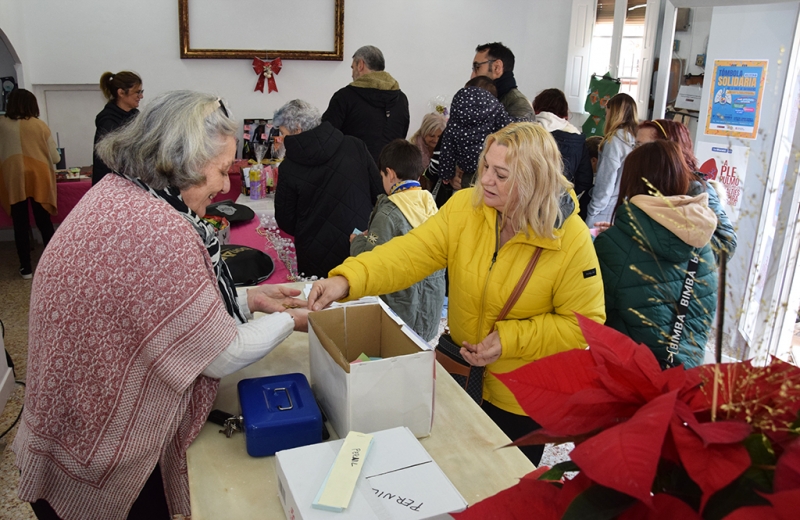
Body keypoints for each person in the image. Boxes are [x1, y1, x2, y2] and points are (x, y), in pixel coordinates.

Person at [13, 90, 310, 520]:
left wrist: (252, 300)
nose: (226, 185)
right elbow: (221, 353)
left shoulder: (118, 194)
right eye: (222, 170)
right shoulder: (160, 232)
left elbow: (165, 310)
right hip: (104, 456)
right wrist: (289, 319)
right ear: (186, 161)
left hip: (66, 432)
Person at [308, 123, 605, 465]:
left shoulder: (571, 240)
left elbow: (584, 325)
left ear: (534, 179)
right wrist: (348, 278)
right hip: (460, 375)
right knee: (453, 469)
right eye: (486, 167)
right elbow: (409, 254)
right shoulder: (466, 207)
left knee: (503, 490)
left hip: (524, 397)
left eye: (502, 174)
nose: (486, 180)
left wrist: (510, 339)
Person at [593, 140, 718, 369]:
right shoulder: (703, 241)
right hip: (685, 377)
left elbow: (593, 315)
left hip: (630, 378)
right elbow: (702, 312)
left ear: (633, 181)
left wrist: (617, 241)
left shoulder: (613, 245)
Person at [274, 99, 382, 279]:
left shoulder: (288, 168)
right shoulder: (355, 145)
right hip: (359, 243)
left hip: (314, 255)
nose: (281, 139)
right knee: (363, 301)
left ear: (298, 129)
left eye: (283, 133)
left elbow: (285, 220)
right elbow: (378, 192)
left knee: (321, 303)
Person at [350, 139, 446, 341]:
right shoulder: (430, 203)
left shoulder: (389, 213)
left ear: (390, 174)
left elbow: (372, 263)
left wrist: (357, 242)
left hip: (400, 316)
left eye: (382, 175)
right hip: (429, 312)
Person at [636, 118, 737, 260]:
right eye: (635, 146)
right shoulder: (647, 183)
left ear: (668, 149)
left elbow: (726, 244)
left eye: (642, 147)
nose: (634, 154)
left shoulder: (695, 187)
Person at [0, 88, 60, 279]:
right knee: (44, 222)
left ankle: (26, 268)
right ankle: (52, 265)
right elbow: (55, 157)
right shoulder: (39, 126)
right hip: (39, 177)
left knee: (20, 223)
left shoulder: (1, 124)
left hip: (13, 178)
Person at [430, 76, 515, 200]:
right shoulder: (496, 111)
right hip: (487, 176)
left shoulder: (456, 115)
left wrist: (446, 174)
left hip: (464, 174)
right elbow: (511, 128)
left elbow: (447, 149)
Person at [322, 45, 410, 163]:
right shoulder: (401, 98)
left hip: (352, 170)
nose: (352, 74)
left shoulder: (344, 97)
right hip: (390, 172)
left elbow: (326, 136)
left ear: (360, 65)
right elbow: (401, 135)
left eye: (352, 68)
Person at [532, 88, 593, 215]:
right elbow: (585, 179)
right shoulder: (577, 138)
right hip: (560, 207)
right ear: (564, 110)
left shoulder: (529, 131)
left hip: (529, 202)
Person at [584, 93, 638, 228]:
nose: (605, 115)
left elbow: (606, 181)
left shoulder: (614, 142)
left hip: (605, 210)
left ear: (613, 113)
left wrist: (592, 210)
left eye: (607, 111)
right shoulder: (636, 140)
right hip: (626, 208)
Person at [92, 70, 143, 185]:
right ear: (121, 92)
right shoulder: (108, 119)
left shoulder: (135, 115)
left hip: (129, 178)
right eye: (137, 92)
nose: (141, 96)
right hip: (111, 182)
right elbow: (117, 155)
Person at [470, 42, 533, 120]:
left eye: (477, 67)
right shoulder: (482, 101)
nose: (472, 76)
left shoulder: (519, 106)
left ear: (497, 67)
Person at [408, 112, 446, 183]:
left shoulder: (448, 149)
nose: (436, 140)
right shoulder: (412, 150)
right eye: (431, 136)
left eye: (440, 137)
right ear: (423, 133)